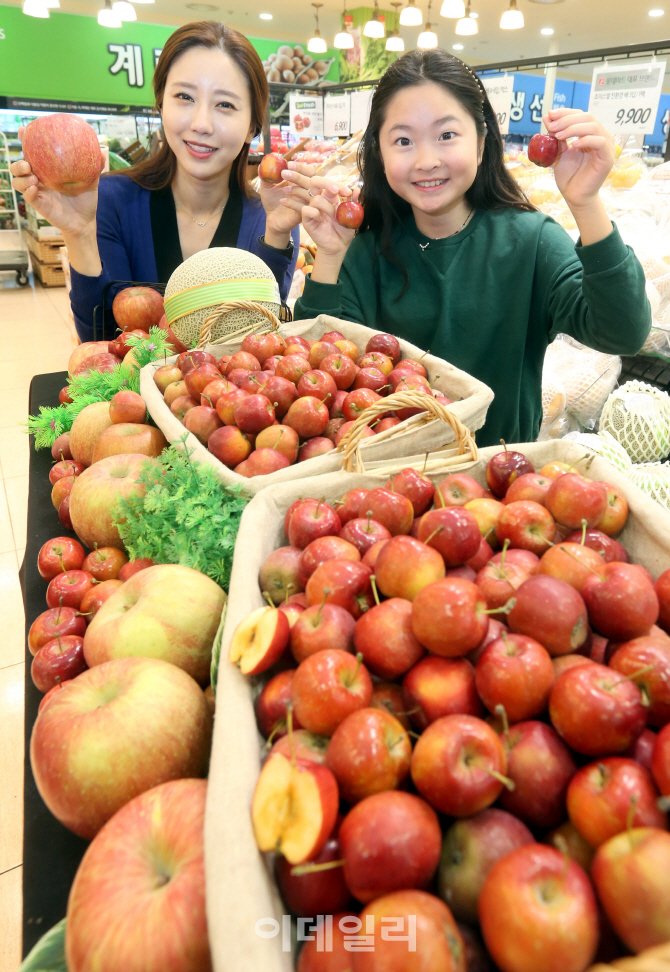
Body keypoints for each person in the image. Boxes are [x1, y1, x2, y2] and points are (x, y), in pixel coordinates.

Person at [282, 49, 651, 448]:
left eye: (446, 135)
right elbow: (317, 376)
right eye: (403, 140)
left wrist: (586, 203)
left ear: (480, 143)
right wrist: (332, 256)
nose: (426, 160)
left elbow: (623, 332)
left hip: (500, 484)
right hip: (384, 484)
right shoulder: (365, 251)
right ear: (380, 152)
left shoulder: (532, 241)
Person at [11, 21, 300, 342]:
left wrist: (276, 236)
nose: (201, 123)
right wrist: (78, 233)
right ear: (161, 104)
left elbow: (262, 333)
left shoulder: (271, 217)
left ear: (252, 127)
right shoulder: (111, 200)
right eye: (184, 96)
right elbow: (102, 341)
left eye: (225, 104)